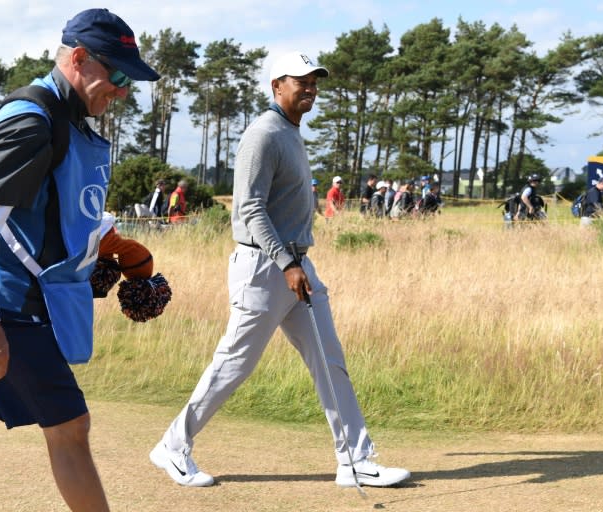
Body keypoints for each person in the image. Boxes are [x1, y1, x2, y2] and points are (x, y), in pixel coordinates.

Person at [0, 9, 159, 512]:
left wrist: (110, 252)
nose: (122, 91)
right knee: (71, 428)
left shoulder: (64, 118)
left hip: (17, 305)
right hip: (10, 309)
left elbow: (64, 212)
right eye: (115, 75)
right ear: (78, 58)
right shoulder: (33, 121)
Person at [149, 50, 410, 490]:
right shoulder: (264, 134)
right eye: (300, 81)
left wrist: (296, 261)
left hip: (296, 267)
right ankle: (173, 445)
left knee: (330, 361)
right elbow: (249, 208)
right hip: (265, 267)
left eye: (314, 81)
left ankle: (355, 460)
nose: (309, 88)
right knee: (234, 364)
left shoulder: (290, 132)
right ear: (276, 87)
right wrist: (287, 262)